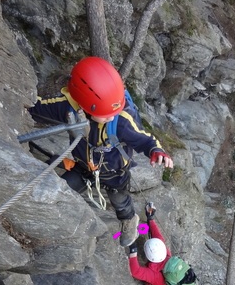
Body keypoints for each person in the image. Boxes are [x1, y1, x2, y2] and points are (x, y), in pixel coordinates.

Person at [28, 56, 173, 247]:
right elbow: (37, 108)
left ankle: (129, 218)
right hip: (82, 165)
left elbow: (144, 138)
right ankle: (52, 221)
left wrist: (156, 150)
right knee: (64, 188)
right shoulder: (69, 108)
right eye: (105, 115)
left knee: (119, 198)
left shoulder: (120, 121)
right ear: (83, 105)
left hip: (114, 172)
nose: (110, 117)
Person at [128, 203, 183, 285]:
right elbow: (158, 236)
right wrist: (150, 218)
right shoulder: (167, 255)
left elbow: (135, 271)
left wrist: (133, 251)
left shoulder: (152, 274)